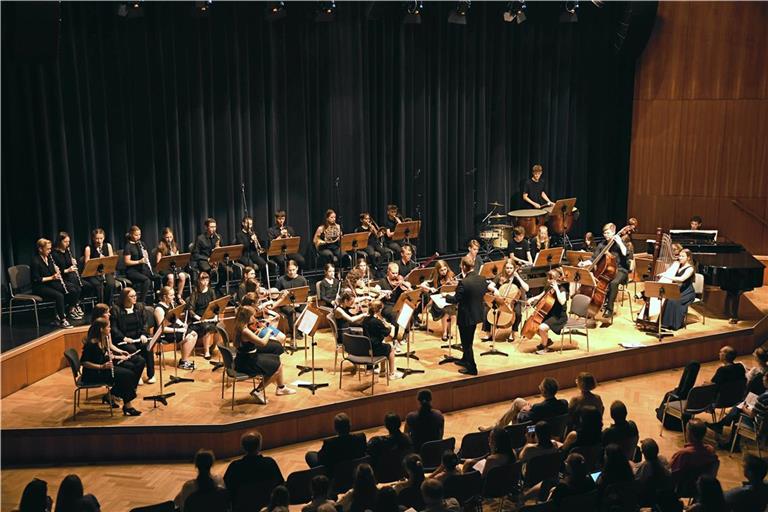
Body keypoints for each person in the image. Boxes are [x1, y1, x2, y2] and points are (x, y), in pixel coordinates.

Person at [233, 305, 296, 404]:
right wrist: (269, 332)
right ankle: (259, 391)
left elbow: (251, 339)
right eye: (252, 316)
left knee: (276, 360)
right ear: (247, 317)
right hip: (247, 362)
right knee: (277, 366)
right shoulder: (244, 331)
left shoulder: (240, 326)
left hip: (243, 358)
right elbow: (262, 343)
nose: (253, 318)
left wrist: (260, 330)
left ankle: (280, 387)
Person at [81, 318, 143, 416]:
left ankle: (117, 399)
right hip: (93, 373)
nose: (110, 329)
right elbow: (84, 362)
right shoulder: (92, 344)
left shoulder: (103, 340)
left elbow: (103, 355)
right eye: (108, 327)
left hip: (103, 369)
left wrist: (114, 356)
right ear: (101, 329)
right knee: (127, 375)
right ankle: (127, 406)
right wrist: (101, 366)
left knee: (128, 373)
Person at [443, 256, 488, 376]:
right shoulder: (482, 279)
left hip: (466, 317)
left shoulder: (464, 282)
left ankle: (472, 368)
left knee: (466, 343)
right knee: (469, 340)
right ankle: (464, 359)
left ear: (463, 266)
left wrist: (446, 296)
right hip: (476, 314)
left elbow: (455, 299)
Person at [580, 223, 630, 320]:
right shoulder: (602, 244)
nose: (605, 235)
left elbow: (625, 253)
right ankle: (588, 306)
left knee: (613, 283)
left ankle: (609, 310)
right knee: (592, 280)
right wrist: (584, 263)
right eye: (604, 233)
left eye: (608, 233)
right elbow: (594, 259)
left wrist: (619, 242)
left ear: (614, 232)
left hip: (620, 270)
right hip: (606, 271)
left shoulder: (620, 243)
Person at [706, 372, 768, 450]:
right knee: (739, 406)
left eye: (764, 378)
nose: (762, 380)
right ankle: (721, 424)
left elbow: (752, 415)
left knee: (738, 413)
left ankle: (733, 445)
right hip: (765, 422)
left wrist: (744, 408)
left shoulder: (763, 398)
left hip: (760, 425)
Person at [224, 431, 284, 507]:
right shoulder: (270, 463)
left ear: (243, 447)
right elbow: (280, 483)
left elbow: (227, 489)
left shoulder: (235, 467)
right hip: (267, 506)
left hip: (243, 508)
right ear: (259, 446)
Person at [30, 238, 79, 328]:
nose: (50, 251)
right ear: (40, 249)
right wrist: (52, 277)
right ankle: (62, 320)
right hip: (40, 286)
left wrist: (57, 271)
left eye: (50, 248)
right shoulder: (35, 261)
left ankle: (67, 310)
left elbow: (52, 271)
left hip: (50, 283)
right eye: (47, 249)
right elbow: (36, 279)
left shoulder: (49, 258)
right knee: (59, 295)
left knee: (72, 288)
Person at [484, 377, 568, 428]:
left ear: (544, 391)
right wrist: (531, 408)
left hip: (533, 429)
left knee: (516, 412)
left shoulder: (538, 407)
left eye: (540, 386)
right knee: (518, 401)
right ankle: (497, 425)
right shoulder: (563, 403)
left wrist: (525, 410)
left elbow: (522, 418)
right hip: (551, 425)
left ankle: (498, 428)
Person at [110, 287, 155, 384]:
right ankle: (137, 375)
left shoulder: (140, 307)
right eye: (132, 296)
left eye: (135, 295)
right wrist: (124, 338)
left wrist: (143, 334)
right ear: (125, 297)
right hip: (124, 339)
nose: (135, 298)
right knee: (132, 349)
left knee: (148, 347)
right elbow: (114, 328)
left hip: (138, 337)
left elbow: (145, 323)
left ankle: (151, 375)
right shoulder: (116, 309)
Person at [482, 258, 529, 342]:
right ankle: (488, 333)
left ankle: (513, 332)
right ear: (504, 268)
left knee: (518, 313)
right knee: (487, 309)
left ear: (514, 268)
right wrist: (495, 290)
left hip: (513, 301)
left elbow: (526, 288)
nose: (509, 270)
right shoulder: (501, 276)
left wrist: (518, 277)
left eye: (511, 268)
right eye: (507, 268)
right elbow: (490, 286)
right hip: (501, 299)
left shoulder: (517, 277)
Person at [525, 269, 568, 353]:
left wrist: (557, 289)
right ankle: (547, 341)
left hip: (559, 316)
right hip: (550, 314)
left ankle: (545, 347)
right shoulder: (549, 287)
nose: (548, 280)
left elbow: (562, 301)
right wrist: (532, 299)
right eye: (548, 278)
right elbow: (541, 295)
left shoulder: (562, 289)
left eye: (550, 278)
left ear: (556, 279)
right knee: (535, 326)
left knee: (541, 328)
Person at [154, 286, 197, 370]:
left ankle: (183, 359)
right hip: (164, 334)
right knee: (189, 337)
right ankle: (183, 362)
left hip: (174, 328)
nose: (174, 297)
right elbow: (162, 329)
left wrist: (182, 324)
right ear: (164, 297)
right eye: (171, 295)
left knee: (194, 334)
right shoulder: (159, 309)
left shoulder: (170, 304)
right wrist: (179, 329)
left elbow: (175, 318)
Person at [360, 300, 403, 380]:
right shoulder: (377, 322)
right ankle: (392, 374)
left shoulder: (365, 320)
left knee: (383, 345)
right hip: (374, 349)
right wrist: (390, 327)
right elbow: (388, 333)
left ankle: (382, 371)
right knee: (390, 349)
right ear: (379, 310)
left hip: (366, 348)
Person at [419, 260, 458, 341]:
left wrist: (454, 284)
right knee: (446, 312)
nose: (444, 272)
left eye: (445, 269)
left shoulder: (451, 275)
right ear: (437, 271)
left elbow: (457, 286)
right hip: (438, 301)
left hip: (450, 299)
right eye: (441, 270)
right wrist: (430, 288)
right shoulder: (434, 278)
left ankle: (449, 330)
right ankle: (444, 332)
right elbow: (422, 285)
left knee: (454, 314)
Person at [186, 272, 221, 360]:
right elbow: (190, 310)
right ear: (198, 280)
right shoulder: (195, 293)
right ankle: (206, 351)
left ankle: (213, 346)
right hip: (198, 319)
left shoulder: (211, 291)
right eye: (203, 279)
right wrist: (199, 318)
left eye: (207, 279)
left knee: (220, 326)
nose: (205, 281)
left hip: (209, 316)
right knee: (207, 328)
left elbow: (215, 306)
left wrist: (216, 316)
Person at [633, 438, 676, 509]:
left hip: (646, 500)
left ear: (643, 452)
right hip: (663, 500)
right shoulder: (663, 461)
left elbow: (637, 483)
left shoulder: (645, 468)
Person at [660, 248, 697, 330]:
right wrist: (664, 273)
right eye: (680, 256)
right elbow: (670, 274)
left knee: (674, 301)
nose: (680, 258)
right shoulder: (677, 266)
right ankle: (665, 323)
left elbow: (681, 279)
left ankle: (675, 324)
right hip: (678, 290)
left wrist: (666, 275)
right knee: (669, 299)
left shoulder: (690, 268)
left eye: (682, 256)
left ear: (688, 258)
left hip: (687, 292)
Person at [51, 232, 84, 320]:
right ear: (59, 241)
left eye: (68, 242)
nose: (67, 244)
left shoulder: (67, 251)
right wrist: (67, 270)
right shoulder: (54, 254)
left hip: (69, 277)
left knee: (83, 286)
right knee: (74, 289)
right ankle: (71, 309)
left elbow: (69, 264)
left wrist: (73, 262)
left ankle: (75, 304)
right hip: (60, 278)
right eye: (65, 242)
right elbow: (54, 270)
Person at [273, 259, 308, 342]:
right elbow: (274, 294)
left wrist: (299, 303)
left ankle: (300, 331)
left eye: (293, 270)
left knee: (305, 310)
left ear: (297, 269)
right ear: (286, 270)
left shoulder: (302, 279)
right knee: (291, 312)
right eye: (289, 270)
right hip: (285, 304)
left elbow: (305, 295)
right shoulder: (281, 280)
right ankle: (294, 334)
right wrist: (281, 293)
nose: (291, 272)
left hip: (299, 303)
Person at [82, 228, 117, 306]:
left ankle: (108, 305)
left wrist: (105, 260)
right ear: (93, 238)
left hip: (105, 271)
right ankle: (100, 306)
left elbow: (112, 261)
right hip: (93, 273)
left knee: (111, 284)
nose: (99, 241)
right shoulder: (88, 248)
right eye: (97, 238)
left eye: (101, 238)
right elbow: (87, 265)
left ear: (104, 238)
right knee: (99, 286)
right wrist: (98, 260)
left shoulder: (108, 246)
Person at [123, 225, 155, 304]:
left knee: (157, 277)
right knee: (146, 280)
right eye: (136, 235)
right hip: (132, 271)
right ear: (131, 234)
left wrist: (145, 256)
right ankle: (141, 302)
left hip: (142, 268)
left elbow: (146, 256)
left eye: (139, 235)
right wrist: (139, 261)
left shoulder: (142, 244)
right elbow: (127, 262)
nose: (138, 237)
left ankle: (157, 299)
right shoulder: (128, 246)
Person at [155, 227, 190, 300]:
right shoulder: (161, 247)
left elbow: (178, 259)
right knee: (171, 278)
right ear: (163, 237)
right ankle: (170, 296)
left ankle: (179, 295)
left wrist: (176, 256)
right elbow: (158, 263)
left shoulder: (175, 245)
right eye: (167, 237)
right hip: (165, 268)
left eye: (171, 237)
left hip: (174, 267)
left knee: (182, 276)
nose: (169, 239)